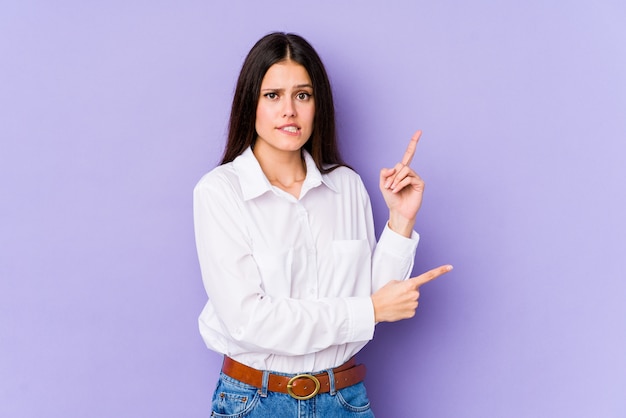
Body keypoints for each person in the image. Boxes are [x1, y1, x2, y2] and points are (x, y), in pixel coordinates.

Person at [193, 32, 452, 417]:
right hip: (254, 401)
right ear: (251, 104)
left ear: (318, 105)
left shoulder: (345, 186)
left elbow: (374, 298)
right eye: (272, 95)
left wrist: (401, 218)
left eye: (302, 95)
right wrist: (369, 310)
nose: (289, 111)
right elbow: (248, 322)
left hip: (343, 400)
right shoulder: (220, 192)